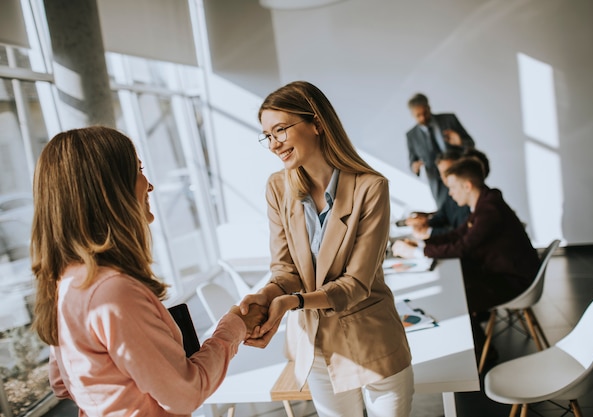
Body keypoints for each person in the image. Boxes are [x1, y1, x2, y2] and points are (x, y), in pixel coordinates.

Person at [30, 126, 267, 417]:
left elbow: (62, 384)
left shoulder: (66, 282)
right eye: (139, 169)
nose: (149, 185)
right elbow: (185, 394)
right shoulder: (113, 292)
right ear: (110, 188)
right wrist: (233, 327)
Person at [240, 81, 414, 417]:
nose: (274, 144)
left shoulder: (370, 188)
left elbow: (356, 284)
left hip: (372, 342)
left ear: (316, 123)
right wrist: (266, 296)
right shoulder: (278, 188)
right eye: (267, 135)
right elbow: (286, 271)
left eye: (280, 130)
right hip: (314, 346)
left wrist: (294, 301)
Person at [392, 156, 539, 358]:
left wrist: (418, 252)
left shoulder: (489, 209)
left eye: (453, 187)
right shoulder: (485, 202)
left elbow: (463, 247)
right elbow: (459, 234)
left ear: (467, 186)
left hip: (514, 281)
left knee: (456, 296)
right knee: (455, 285)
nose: (450, 194)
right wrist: (422, 244)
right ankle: (474, 347)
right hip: (502, 271)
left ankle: (481, 355)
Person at [406, 93, 474, 208]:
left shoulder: (449, 119)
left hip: (461, 175)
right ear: (412, 115)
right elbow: (412, 162)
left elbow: (471, 144)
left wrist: (460, 142)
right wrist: (415, 167)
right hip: (438, 185)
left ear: (429, 107)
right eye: (418, 115)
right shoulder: (411, 136)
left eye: (425, 113)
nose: (423, 118)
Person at [405, 148, 490, 239]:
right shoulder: (450, 195)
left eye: (449, 171)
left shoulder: (472, 201)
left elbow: (461, 236)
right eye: (442, 173)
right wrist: (425, 224)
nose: (446, 177)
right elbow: (443, 215)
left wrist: (428, 232)